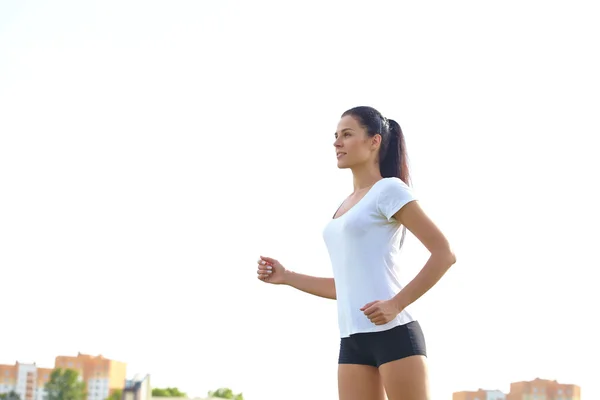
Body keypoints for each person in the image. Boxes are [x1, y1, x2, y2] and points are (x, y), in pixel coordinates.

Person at [256, 106, 456, 400]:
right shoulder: (344, 207)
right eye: (336, 136)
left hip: (394, 332)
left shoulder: (389, 190)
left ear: (374, 141)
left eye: (347, 135)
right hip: (352, 338)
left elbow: (444, 254)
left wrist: (396, 304)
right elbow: (347, 288)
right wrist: (287, 276)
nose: (337, 142)